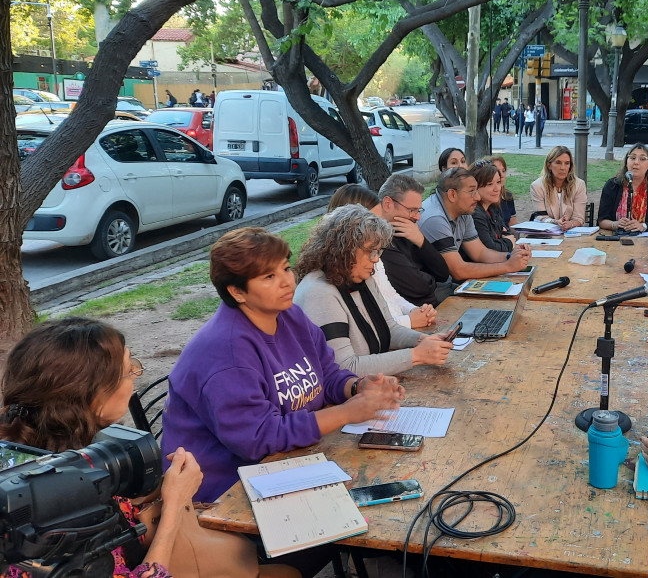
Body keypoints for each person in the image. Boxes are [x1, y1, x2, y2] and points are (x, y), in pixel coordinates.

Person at [0, 319, 300, 578]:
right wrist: (173, 504)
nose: (134, 378)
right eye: (130, 371)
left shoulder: (25, 452)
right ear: (93, 397)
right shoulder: (64, 496)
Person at [161, 227, 406, 503]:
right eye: (269, 276)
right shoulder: (226, 354)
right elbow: (258, 437)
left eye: (286, 269)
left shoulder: (290, 315)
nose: (287, 282)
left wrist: (358, 386)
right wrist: (346, 413)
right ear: (237, 291)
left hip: (290, 461)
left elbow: (326, 373)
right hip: (225, 492)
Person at [294, 205, 453, 378]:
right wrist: (417, 355)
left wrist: (422, 340)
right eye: (371, 251)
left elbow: (388, 328)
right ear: (345, 250)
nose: (376, 259)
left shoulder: (361, 277)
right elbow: (345, 367)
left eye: (378, 251)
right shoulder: (319, 293)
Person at [327, 184, 436, 329]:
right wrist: (409, 321)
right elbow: (365, 327)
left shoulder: (374, 255)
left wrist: (414, 311)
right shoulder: (342, 273)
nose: (380, 227)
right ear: (349, 227)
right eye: (373, 221)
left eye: (381, 220)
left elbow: (390, 295)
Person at [419, 167, 531, 281]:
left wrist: (512, 256)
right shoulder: (435, 219)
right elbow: (459, 271)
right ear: (452, 194)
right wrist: (508, 266)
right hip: (430, 290)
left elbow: (480, 253)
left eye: (477, 190)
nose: (477, 197)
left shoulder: (463, 210)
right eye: (472, 191)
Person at [373, 174, 455, 307]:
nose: (417, 217)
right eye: (412, 210)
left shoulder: (406, 230)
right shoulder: (380, 240)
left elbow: (443, 274)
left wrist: (422, 242)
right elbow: (420, 287)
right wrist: (428, 278)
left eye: (418, 210)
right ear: (388, 204)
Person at [597, 143, 648, 234]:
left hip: (646, 239)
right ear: (626, 162)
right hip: (616, 238)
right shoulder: (612, 185)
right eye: (632, 158)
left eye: (642, 159)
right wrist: (615, 224)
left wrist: (643, 226)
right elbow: (602, 221)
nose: (636, 162)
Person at [529, 146, 588, 230]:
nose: (563, 168)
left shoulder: (579, 185)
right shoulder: (537, 186)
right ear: (549, 165)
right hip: (547, 233)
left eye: (567, 163)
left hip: (572, 233)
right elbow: (540, 216)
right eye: (558, 162)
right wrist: (555, 222)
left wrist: (570, 224)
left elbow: (579, 218)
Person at [471, 161, 515, 252]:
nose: (497, 188)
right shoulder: (475, 214)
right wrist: (508, 242)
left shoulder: (492, 207)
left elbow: (507, 232)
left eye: (498, 182)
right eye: (489, 184)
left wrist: (503, 240)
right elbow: (490, 249)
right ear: (475, 186)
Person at [486, 155, 517, 226]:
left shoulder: (507, 196)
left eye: (503, 171)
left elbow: (513, 224)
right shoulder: (485, 200)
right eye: (497, 171)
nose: (502, 175)